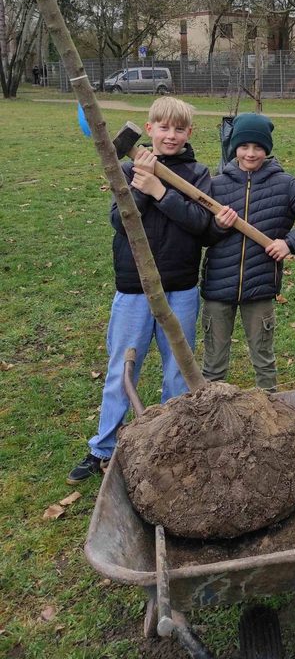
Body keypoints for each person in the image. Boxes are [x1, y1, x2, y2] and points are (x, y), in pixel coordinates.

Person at [67, 97, 212, 484]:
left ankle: (172, 439)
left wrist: (162, 191)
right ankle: (104, 447)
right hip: (133, 288)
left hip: (180, 287)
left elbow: (201, 222)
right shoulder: (128, 168)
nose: (171, 135)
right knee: (121, 367)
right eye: (163, 128)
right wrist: (143, 186)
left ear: (188, 134)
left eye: (178, 129)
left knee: (177, 370)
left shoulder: (198, 175)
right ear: (149, 130)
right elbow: (119, 219)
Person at [201, 113, 295, 389]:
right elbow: (201, 234)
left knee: (264, 360)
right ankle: (210, 415)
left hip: (259, 287)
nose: (251, 153)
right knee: (213, 363)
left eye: (258, 147)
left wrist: (289, 243)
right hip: (217, 287)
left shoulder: (284, 184)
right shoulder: (216, 185)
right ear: (233, 148)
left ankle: (271, 409)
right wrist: (218, 226)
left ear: (267, 149)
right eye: (244, 146)